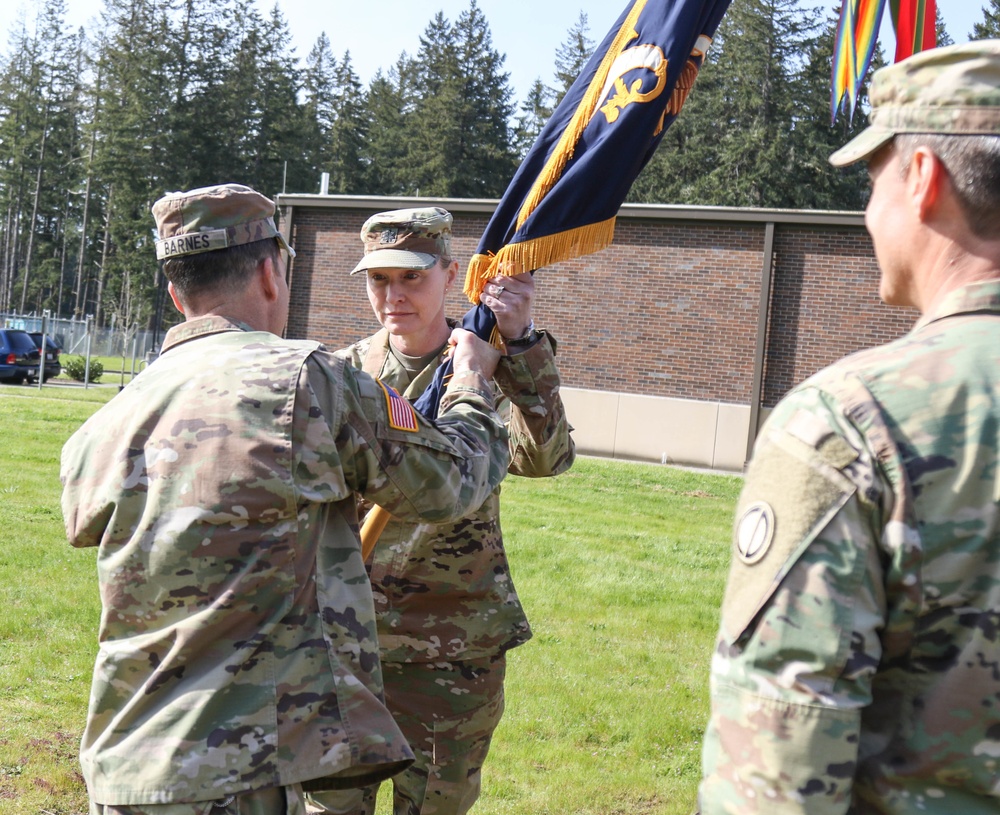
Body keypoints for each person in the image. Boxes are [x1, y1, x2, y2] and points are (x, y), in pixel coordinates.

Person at [60, 184, 513, 815]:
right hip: (243, 762)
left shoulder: (105, 424)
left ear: (175, 293)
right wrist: (470, 381)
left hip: (128, 766)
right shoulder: (309, 381)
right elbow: (452, 484)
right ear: (272, 272)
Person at [699, 40, 1000, 814]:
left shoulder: (849, 423)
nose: (867, 212)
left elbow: (778, 777)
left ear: (924, 179)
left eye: (873, 179)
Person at [306, 207, 575, 815]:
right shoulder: (342, 373)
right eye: (379, 280)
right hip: (347, 643)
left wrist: (524, 342)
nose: (393, 296)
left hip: (451, 649)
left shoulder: (489, 362)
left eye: (411, 278)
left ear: (451, 274)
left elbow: (547, 459)